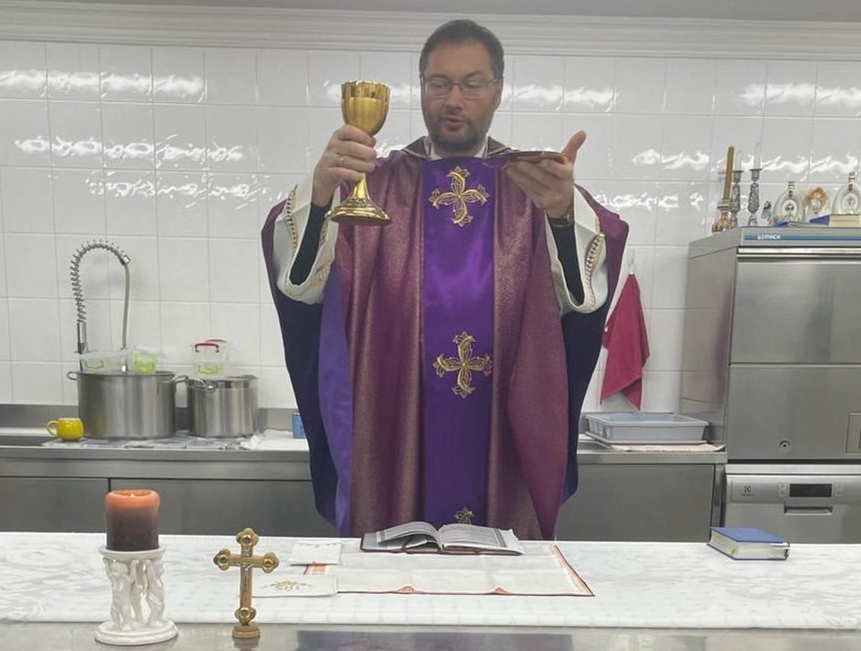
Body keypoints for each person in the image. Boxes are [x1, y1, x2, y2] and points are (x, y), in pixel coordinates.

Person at [262, 19, 627, 540]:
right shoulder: (373, 183)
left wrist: (565, 213)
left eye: (472, 83)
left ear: (497, 90)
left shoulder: (535, 186)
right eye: (439, 83)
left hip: (501, 427)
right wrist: (321, 190)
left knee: (497, 600)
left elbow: (582, 303)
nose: (453, 99)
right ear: (421, 88)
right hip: (392, 424)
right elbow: (301, 286)